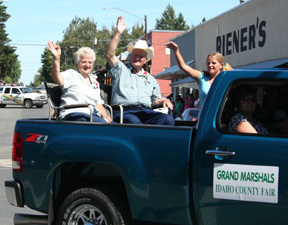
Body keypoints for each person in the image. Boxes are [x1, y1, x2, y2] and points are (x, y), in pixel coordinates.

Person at [105, 16, 174, 125]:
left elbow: (155, 100)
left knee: (168, 119)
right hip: (124, 111)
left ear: (146, 60)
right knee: (134, 121)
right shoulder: (121, 70)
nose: (137, 58)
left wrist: (164, 101)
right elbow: (110, 55)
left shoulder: (151, 79)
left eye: (141, 56)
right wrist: (118, 33)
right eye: (135, 55)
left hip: (145, 111)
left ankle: (153, 141)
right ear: (130, 56)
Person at [47, 41, 112, 123]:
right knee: (101, 123)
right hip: (74, 115)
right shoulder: (71, 74)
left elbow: (98, 104)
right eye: (84, 62)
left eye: (90, 62)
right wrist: (56, 58)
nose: (87, 65)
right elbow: (56, 77)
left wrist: (106, 118)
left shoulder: (94, 82)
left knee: (116, 127)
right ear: (77, 64)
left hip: (92, 116)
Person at [166, 41, 224, 109]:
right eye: (208, 63)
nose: (210, 65)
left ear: (221, 65)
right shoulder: (202, 77)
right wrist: (176, 50)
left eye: (213, 63)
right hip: (204, 117)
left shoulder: (225, 78)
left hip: (221, 117)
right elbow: (183, 66)